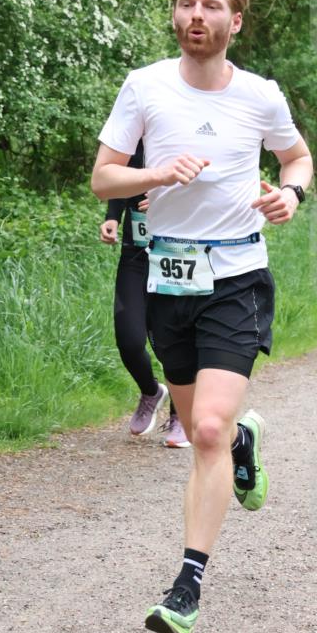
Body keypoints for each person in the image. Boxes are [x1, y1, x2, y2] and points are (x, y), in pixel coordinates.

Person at [91, 0, 312, 633]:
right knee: (210, 437)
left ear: (235, 21)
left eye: (211, 5)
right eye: (187, 4)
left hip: (237, 277)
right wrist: (154, 175)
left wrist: (292, 194)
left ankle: (185, 586)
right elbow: (103, 178)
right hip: (167, 281)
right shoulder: (145, 86)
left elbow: (295, 155)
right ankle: (244, 442)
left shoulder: (260, 94)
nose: (196, 15)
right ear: (174, 13)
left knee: (205, 431)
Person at [99, 142, 190, 448]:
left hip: (178, 254)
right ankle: (151, 391)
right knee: (128, 338)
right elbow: (117, 176)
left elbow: (212, 188)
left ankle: (182, 415)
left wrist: (168, 199)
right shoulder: (134, 132)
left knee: (173, 339)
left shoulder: (187, 127)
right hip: (135, 254)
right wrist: (112, 216)